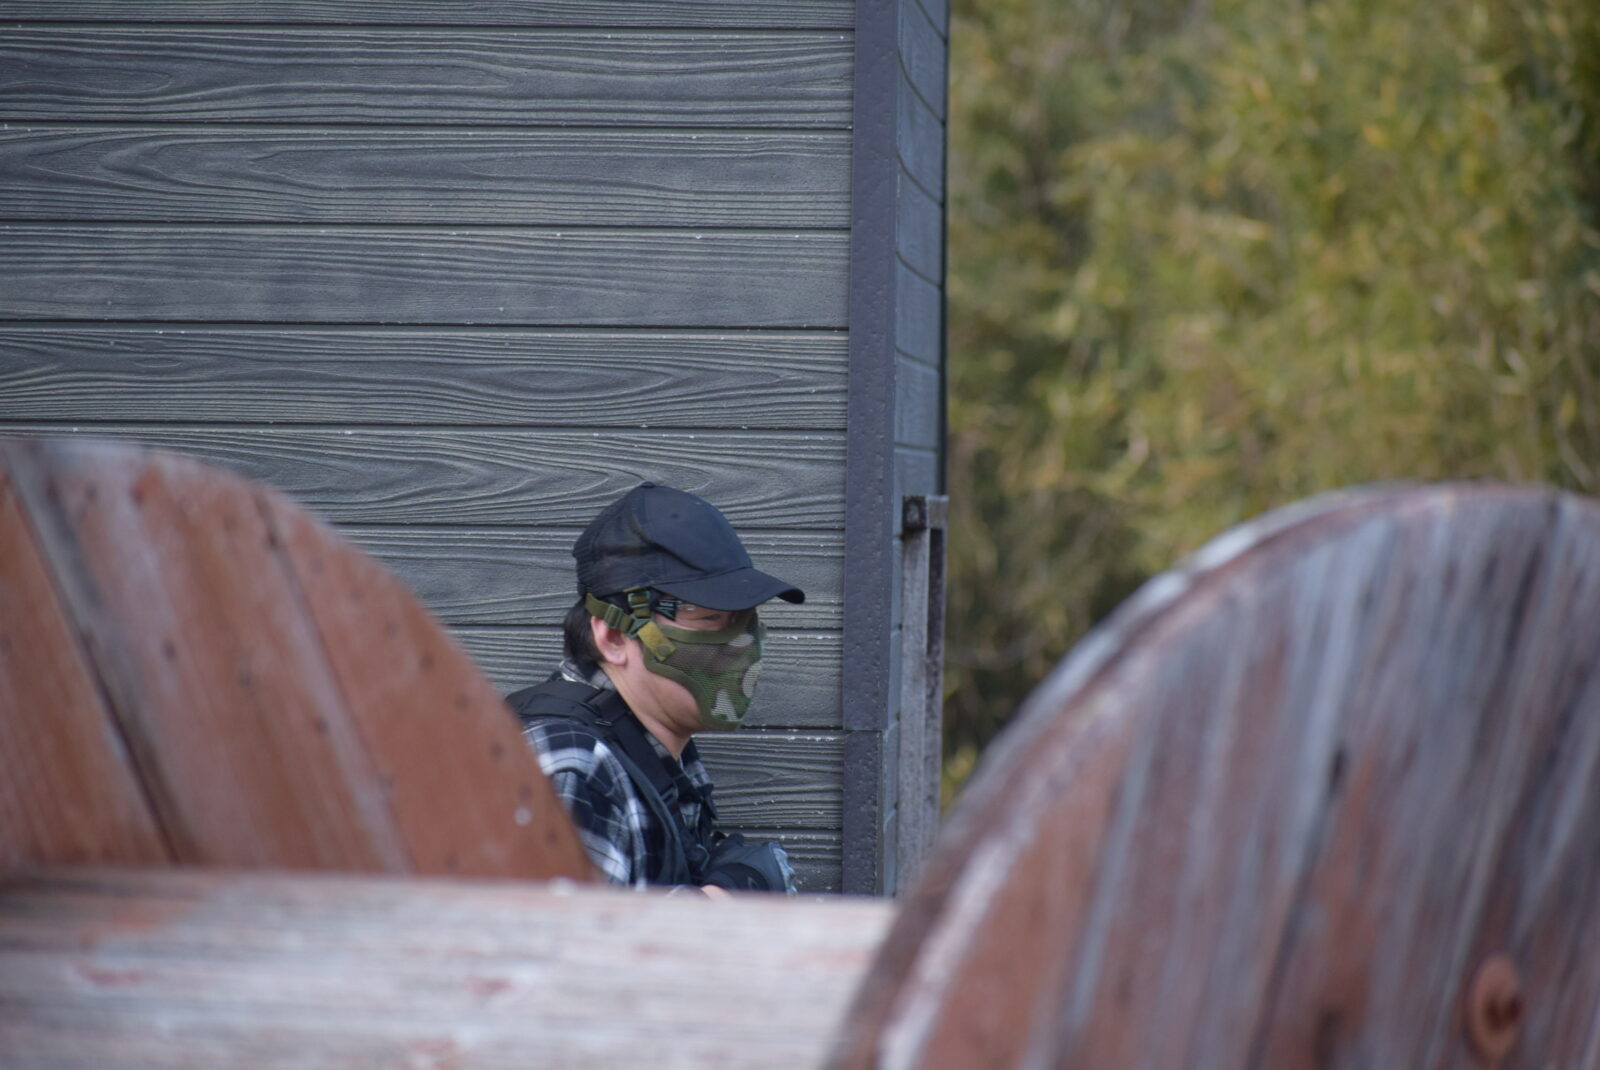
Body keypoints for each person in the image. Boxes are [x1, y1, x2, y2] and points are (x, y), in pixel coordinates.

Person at [507, 482, 804, 893]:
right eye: (709, 619)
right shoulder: (571, 762)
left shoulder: (650, 744)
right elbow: (560, 931)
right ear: (614, 637)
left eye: (744, 619)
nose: (739, 644)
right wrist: (721, 901)